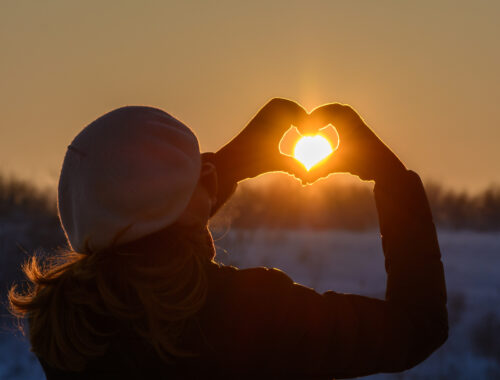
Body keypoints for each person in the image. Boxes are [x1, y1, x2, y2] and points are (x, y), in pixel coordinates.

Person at [9, 98, 448, 379]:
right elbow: (415, 328)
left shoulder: (63, 329)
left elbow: (144, 232)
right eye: (196, 170)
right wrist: (391, 178)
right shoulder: (249, 315)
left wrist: (230, 163)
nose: (211, 171)